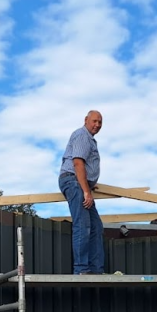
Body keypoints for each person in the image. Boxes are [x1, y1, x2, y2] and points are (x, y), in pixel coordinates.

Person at [59, 110, 105, 275]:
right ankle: (81, 269)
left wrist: (90, 183)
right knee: (83, 225)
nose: (97, 125)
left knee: (96, 226)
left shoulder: (89, 139)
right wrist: (86, 190)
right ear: (86, 120)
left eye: (100, 122)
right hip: (74, 182)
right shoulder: (82, 135)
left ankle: (96, 269)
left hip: (79, 183)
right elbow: (78, 163)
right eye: (94, 121)